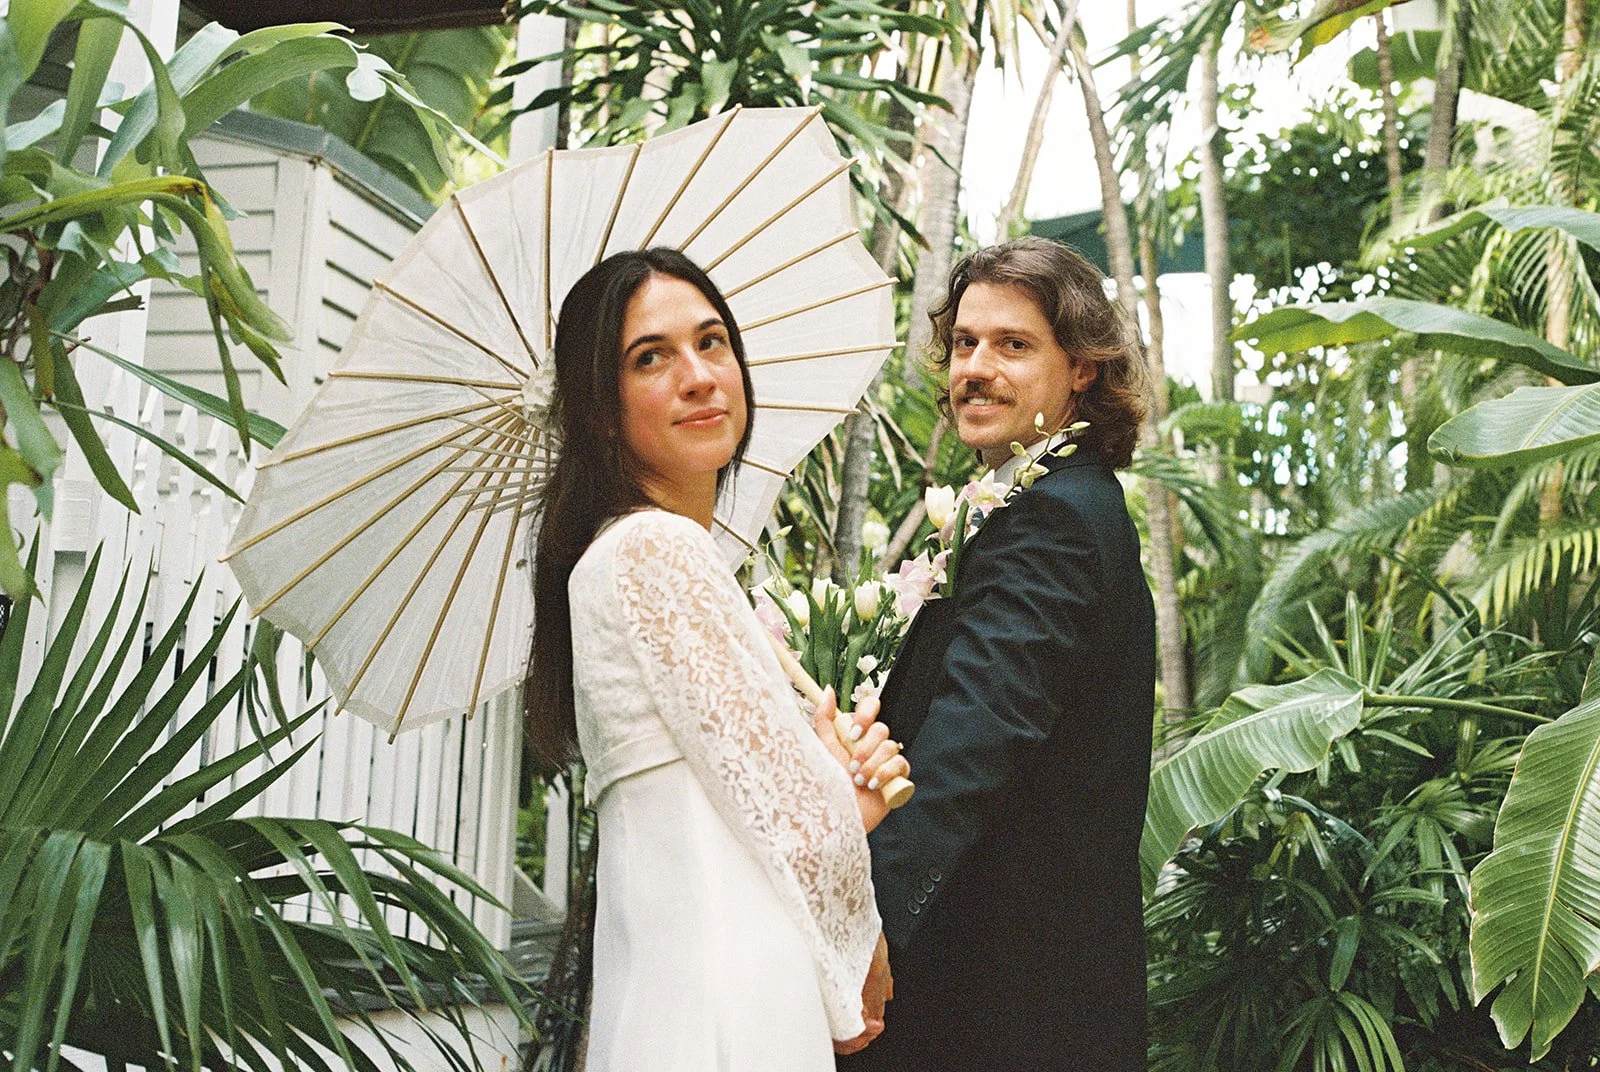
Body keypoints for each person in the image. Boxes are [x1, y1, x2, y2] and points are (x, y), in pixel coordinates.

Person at [524, 247, 911, 1072]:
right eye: (650, 358)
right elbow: (800, 825)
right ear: (600, 409)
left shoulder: (628, 558)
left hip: (676, 983)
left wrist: (829, 765)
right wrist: (862, 923)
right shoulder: (655, 550)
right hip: (731, 986)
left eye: (712, 342)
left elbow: (739, 788)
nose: (699, 376)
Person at [836, 237, 1157, 1071]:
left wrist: (859, 925)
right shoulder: (1037, 505)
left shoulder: (1053, 521)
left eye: (1013, 346)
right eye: (966, 344)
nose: (976, 367)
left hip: (1006, 997)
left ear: (1082, 368)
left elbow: (973, 743)